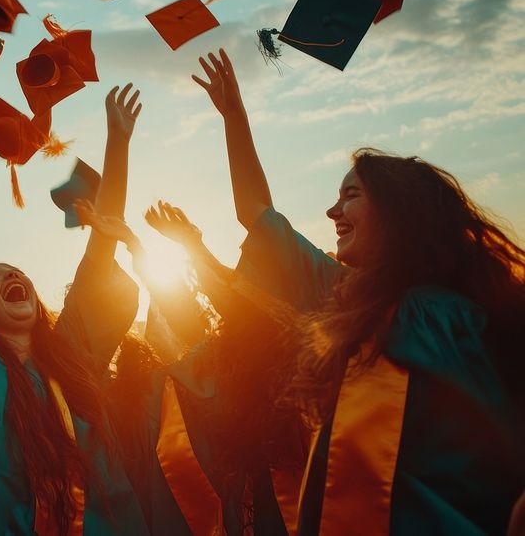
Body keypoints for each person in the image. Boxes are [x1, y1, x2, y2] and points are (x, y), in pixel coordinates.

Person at [195, 47, 525, 534]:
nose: (332, 212)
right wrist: (234, 116)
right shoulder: (347, 301)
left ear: (400, 212)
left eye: (350, 195)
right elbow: (258, 215)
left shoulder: (446, 319)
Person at [0, 74, 149, 534]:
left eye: (14, 271)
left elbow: (102, 243)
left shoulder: (70, 355)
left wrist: (118, 142)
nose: (9, 274)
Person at [78, 200, 307, 535]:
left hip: (271, 491)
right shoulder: (164, 383)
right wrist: (136, 244)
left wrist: (182, 245)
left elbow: (217, 310)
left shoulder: (237, 358)